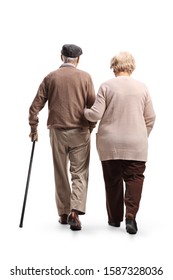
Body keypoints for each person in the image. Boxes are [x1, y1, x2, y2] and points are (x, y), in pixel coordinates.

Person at [84, 51, 156, 234]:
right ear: (131, 66)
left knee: (112, 180)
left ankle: (115, 219)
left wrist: (84, 111)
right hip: (136, 143)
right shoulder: (142, 88)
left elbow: (95, 114)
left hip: (110, 142)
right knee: (134, 179)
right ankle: (130, 216)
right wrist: (141, 135)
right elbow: (151, 117)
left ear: (114, 66)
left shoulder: (106, 86)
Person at [29, 44, 96, 230]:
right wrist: (90, 127)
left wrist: (33, 128)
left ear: (61, 57)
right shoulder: (85, 77)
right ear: (78, 59)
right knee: (79, 173)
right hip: (80, 132)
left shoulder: (50, 77)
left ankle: (64, 213)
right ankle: (75, 211)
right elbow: (93, 107)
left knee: (60, 172)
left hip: (57, 132)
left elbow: (35, 107)